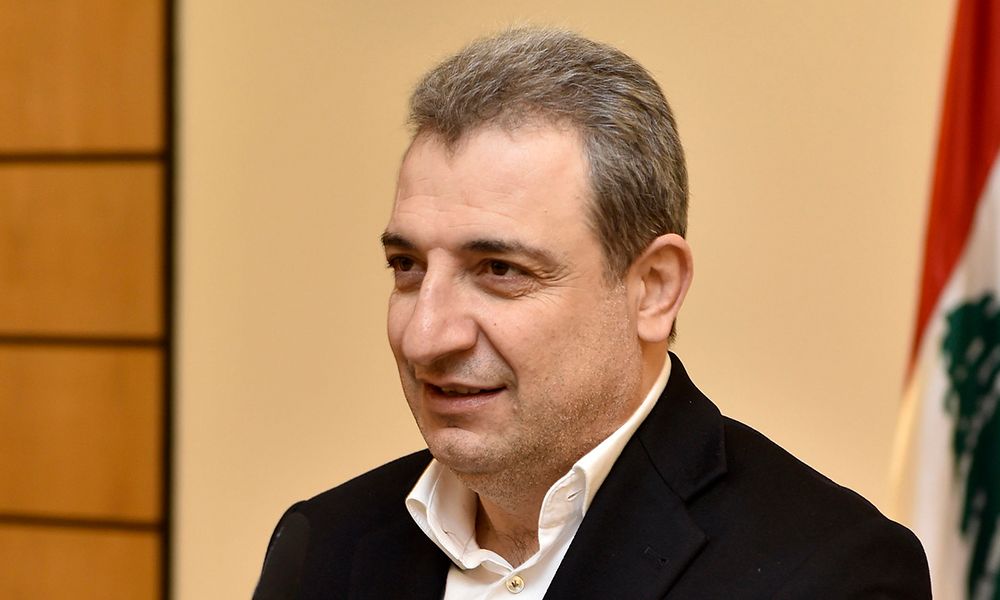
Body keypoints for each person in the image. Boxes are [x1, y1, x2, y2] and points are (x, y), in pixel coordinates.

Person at [254, 27, 931, 599]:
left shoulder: (828, 574)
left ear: (653, 289)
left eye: (499, 270)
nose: (426, 337)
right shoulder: (321, 550)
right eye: (407, 267)